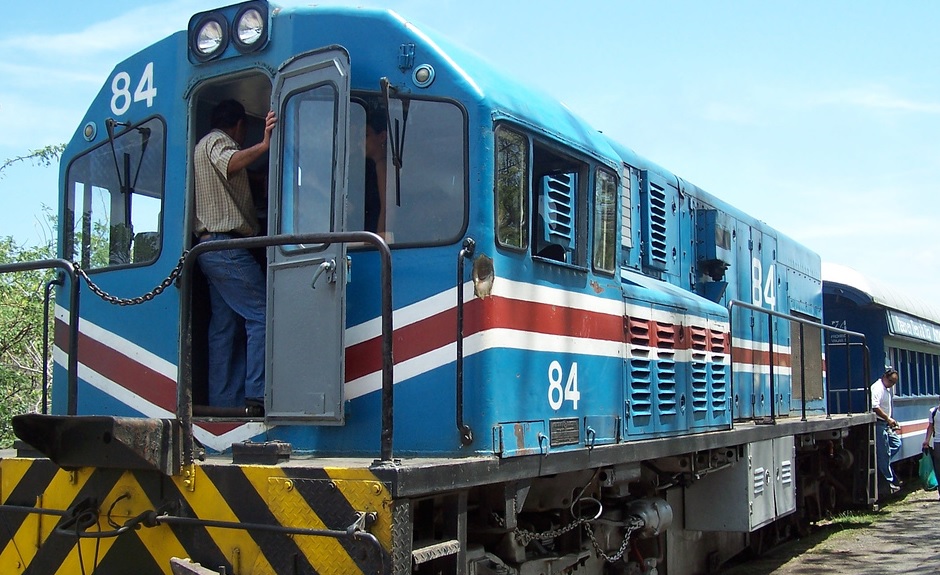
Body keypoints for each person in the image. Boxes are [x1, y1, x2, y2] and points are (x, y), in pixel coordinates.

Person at [193, 99, 277, 415]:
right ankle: (256, 395)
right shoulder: (217, 141)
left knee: (224, 327)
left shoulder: (201, 148)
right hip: (226, 247)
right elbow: (229, 163)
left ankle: (224, 403)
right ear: (240, 125)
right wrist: (265, 144)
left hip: (210, 249)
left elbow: (234, 176)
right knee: (263, 313)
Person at [871, 367, 902, 492]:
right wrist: (887, 418)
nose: (891, 384)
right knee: (884, 454)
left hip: (886, 424)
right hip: (879, 423)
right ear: (884, 377)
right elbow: (874, 406)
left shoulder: (885, 388)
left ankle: (883, 462)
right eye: (890, 381)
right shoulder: (877, 388)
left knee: (896, 444)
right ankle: (888, 482)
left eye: (894, 383)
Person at [363, 108, 388, 235]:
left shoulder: (382, 166)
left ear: (382, 136)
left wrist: (379, 240)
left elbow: (386, 209)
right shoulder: (372, 167)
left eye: (366, 135)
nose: (361, 141)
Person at [921, 401, 940, 500]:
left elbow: (930, 427)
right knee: (938, 469)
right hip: (938, 443)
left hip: (938, 444)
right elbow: (930, 427)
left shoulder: (933, 411)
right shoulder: (933, 412)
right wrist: (926, 441)